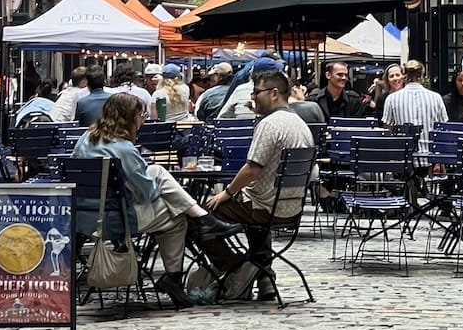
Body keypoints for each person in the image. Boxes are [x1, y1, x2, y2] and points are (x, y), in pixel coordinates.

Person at [71, 92, 239, 308]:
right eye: (141, 115)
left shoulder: (85, 139)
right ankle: (177, 271)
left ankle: (201, 222)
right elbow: (148, 194)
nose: (144, 119)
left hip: (84, 218)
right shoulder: (124, 150)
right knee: (177, 216)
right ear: (130, 117)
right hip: (117, 220)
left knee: (158, 174)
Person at [198, 70, 316, 301]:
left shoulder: (270, 124)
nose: (253, 97)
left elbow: (253, 168)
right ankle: (265, 279)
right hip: (290, 207)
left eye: (256, 92)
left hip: (265, 205)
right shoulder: (300, 124)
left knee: (200, 215)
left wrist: (227, 192)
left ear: (273, 93)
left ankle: (239, 267)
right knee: (255, 217)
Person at [381, 60, 448, 147]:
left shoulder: (391, 99)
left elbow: (388, 130)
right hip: (430, 156)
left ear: (404, 76)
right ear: (422, 76)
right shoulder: (436, 98)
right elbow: (443, 128)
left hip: (404, 156)